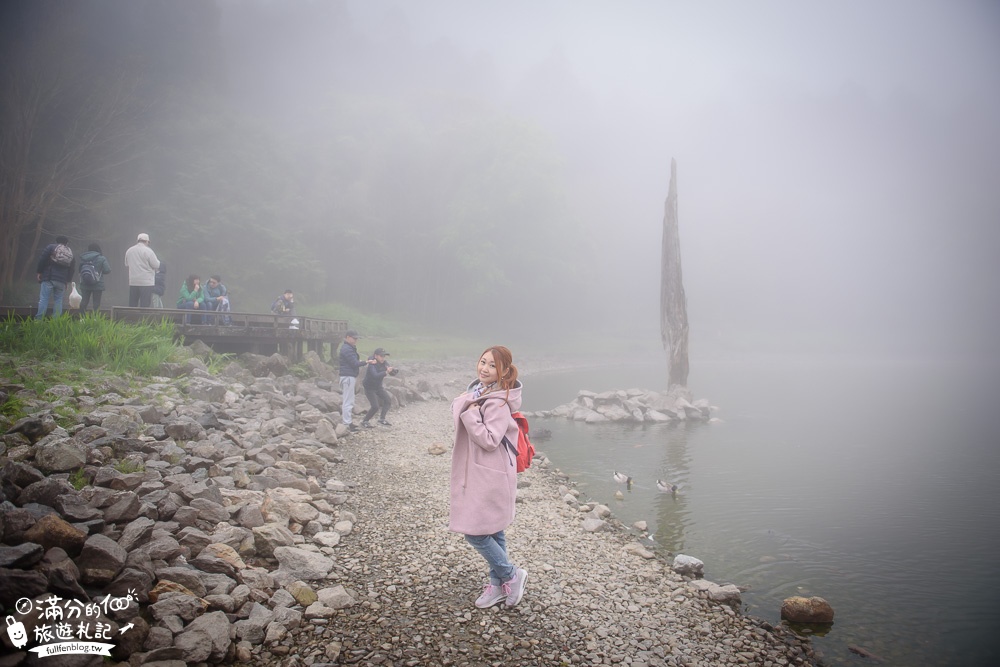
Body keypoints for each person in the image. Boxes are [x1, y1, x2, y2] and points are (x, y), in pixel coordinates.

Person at [450, 345, 528, 609]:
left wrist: (470, 413)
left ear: (504, 371)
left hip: (490, 476)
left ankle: (510, 575)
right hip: (485, 472)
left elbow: (490, 439)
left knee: (476, 533)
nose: (484, 368)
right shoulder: (480, 393)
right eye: (483, 362)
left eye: (492, 365)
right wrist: (470, 404)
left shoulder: (498, 403)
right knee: (494, 530)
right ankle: (497, 586)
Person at [338, 330, 374, 432]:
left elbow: (353, 362)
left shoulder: (348, 348)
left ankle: (348, 422)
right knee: (348, 401)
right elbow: (354, 363)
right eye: (354, 338)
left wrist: (363, 362)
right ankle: (346, 423)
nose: (356, 340)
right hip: (348, 376)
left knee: (349, 400)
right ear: (348, 337)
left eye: (356, 338)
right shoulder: (347, 349)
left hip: (347, 376)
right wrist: (366, 362)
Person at [35, 235, 75, 319]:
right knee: (58, 300)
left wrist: (39, 271)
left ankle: (38, 321)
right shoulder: (69, 252)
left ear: (56, 241)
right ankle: (56, 321)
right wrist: (67, 281)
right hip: (61, 281)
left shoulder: (51, 247)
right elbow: (72, 269)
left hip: (49, 277)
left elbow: (42, 259)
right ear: (67, 243)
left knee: (44, 299)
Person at [361, 348, 395, 428]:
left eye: (384, 356)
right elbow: (375, 375)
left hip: (378, 386)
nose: (383, 358)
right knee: (375, 406)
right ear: (376, 356)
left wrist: (392, 371)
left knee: (388, 400)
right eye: (381, 356)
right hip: (369, 387)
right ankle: (365, 421)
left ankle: (382, 419)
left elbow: (392, 373)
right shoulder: (372, 364)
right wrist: (386, 372)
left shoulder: (385, 363)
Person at [124, 232, 160, 307]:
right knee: (145, 305)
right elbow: (156, 265)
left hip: (133, 281)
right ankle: (143, 318)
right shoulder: (148, 251)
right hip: (146, 282)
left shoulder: (129, 251)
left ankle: (131, 317)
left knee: (133, 304)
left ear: (138, 240)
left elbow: (126, 264)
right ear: (147, 241)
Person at [77, 242, 112, 313]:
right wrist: (99, 271)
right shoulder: (101, 258)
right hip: (98, 283)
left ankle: (82, 319)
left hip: (85, 282)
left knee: (84, 302)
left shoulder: (83, 258)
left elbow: (80, 270)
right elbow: (107, 270)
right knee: (96, 303)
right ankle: (95, 319)